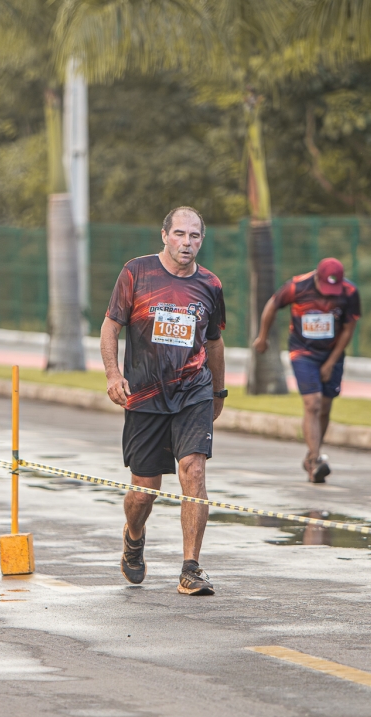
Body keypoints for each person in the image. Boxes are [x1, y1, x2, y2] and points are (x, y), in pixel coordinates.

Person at [100, 206, 227, 596]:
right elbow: (110, 327)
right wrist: (113, 375)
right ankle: (134, 535)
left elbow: (214, 343)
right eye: (180, 234)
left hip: (193, 391)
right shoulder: (136, 272)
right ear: (164, 235)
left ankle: (191, 568)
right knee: (143, 491)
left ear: (201, 240)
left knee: (194, 471)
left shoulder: (210, 284)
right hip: (145, 394)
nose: (187, 243)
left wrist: (218, 392)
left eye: (194, 236)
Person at [252, 258, 361, 483]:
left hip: (332, 353)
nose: (329, 295)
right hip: (303, 352)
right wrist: (263, 337)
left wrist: (330, 362)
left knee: (325, 407)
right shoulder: (297, 286)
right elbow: (272, 305)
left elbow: (349, 329)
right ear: (316, 277)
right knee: (313, 403)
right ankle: (316, 459)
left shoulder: (350, 292)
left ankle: (311, 456)